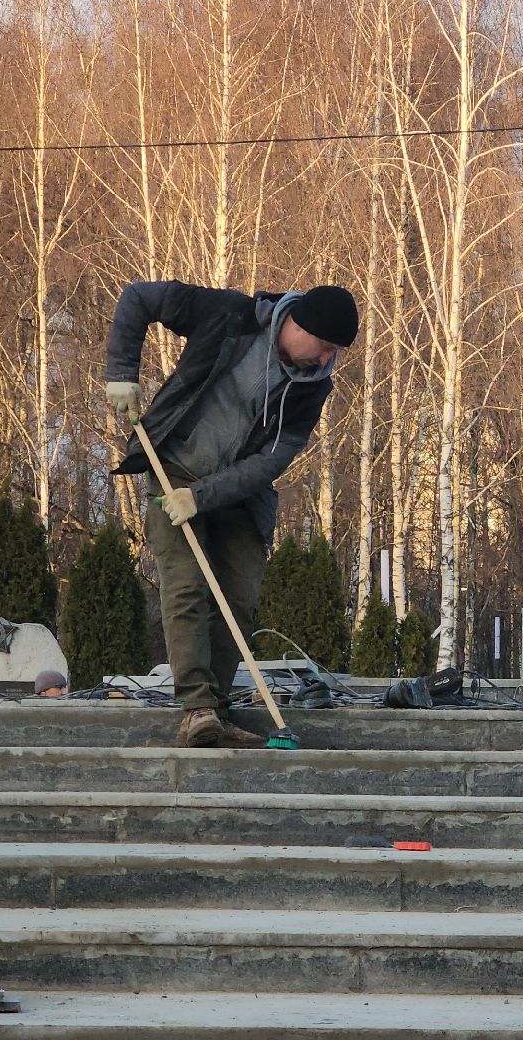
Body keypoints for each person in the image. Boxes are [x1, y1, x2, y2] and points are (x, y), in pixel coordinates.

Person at [105, 280, 357, 748]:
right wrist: (122, 371)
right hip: (174, 466)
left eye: (335, 351)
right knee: (186, 586)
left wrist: (202, 497)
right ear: (297, 325)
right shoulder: (228, 315)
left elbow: (270, 461)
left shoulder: (313, 389)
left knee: (238, 596)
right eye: (325, 345)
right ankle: (197, 708)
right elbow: (139, 298)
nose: (327, 359)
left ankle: (216, 708)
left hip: (238, 493)